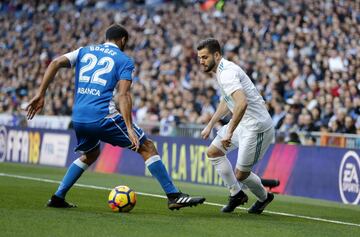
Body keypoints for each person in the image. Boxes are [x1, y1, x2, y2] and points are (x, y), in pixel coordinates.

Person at [26, 24, 205, 210]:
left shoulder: (83, 51)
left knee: (91, 154)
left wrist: (41, 94)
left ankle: (58, 197)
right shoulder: (124, 59)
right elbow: (123, 95)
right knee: (147, 147)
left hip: (78, 117)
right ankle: (174, 195)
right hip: (102, 115)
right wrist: (129, 127)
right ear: (123, 40)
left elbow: (54, 63)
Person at [197, 38, 274, 214]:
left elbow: (241, 103)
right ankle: (236, 194)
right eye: (200, 57)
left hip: (256, 127)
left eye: (205, 57)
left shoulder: (227, 73)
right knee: (213, 153)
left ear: (217, 55)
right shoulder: (221, 70)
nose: (201, 61)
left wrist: (229, 131)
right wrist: (210, 124)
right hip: (244, 123)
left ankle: (264, 198)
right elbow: (227, 101)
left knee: (241, 175)